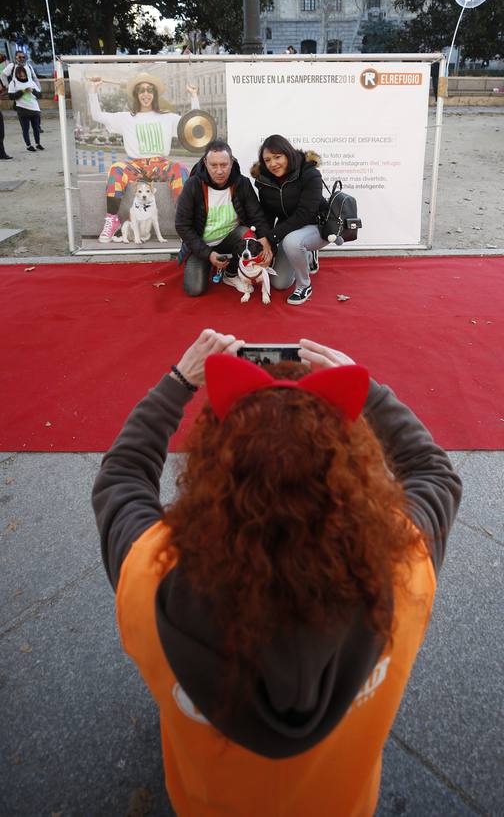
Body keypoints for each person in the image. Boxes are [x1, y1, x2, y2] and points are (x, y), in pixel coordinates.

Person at [93, 328, 461, 817]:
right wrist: (366, 388)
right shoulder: (402, 565)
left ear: (210, 471)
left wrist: (179, 380)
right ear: (355, 473)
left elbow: (122, 476)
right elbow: (433, 472)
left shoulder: (151, 573)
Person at [87, 72, 199, 242]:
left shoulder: (167, 117)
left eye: (149, 90)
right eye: (141, 90)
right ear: (136, 94)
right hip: (135, 165)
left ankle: (184, 223)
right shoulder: (125, 117)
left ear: (154, 94)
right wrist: (93, 91)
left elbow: (193, 123)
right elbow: (97, 116)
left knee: (181, 169)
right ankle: (112, 219)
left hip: (159, 164)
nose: (145, 94)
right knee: (116, 169)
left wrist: (194, 96)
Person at [175, 139, 273, 296]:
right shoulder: (193, 185)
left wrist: (265, 241)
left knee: (245, 233)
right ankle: (211, 265)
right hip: (202, 245)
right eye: (214, 165)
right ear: (205, 162)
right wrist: (208, 254)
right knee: (194, 289)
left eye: (224, 165)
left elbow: (257, 216)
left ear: (232, 162)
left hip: (230, 239)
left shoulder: (242, 183)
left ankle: (231, 273)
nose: (219, 171)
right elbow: (182, 225)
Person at [251, 133, 328, 305]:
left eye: (278, 157)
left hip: (316, 226)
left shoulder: (310, 173)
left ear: (288, 154)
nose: (273, 164)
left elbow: (305, 213)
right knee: (279, 283)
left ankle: (304, 285)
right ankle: (307, 255)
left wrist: (272, 238)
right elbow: (267, 214)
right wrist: (265, 243)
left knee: (292, 242)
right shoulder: (264, 180)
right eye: (268, 160)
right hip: (289, 230)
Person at [1, 50, 44, 132]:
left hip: (30, 90)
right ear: (16, 57)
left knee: (36, 109)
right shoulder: (12, 66)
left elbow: (34, 78)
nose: (22, 58)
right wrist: (7, 86)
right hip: (19, 91)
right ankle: (25, 128)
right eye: (20, 57)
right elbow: (3, 75)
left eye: (23, 57)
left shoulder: (29, 66)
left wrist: (38, 89)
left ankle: (38, 126)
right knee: (21, 109)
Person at [8, 64, 43, 152]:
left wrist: (33, 91)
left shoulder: (31, 82)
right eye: (20, 75)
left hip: (34, 108)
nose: (22, 77)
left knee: (36, 128)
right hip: (22, 108)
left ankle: (38, 143)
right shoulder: (13, 83)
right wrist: (23, 91)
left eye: (24, 75)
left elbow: (40, 95)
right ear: (16, 75)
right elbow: (11, 96)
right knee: (25, 129)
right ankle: (28, 145)